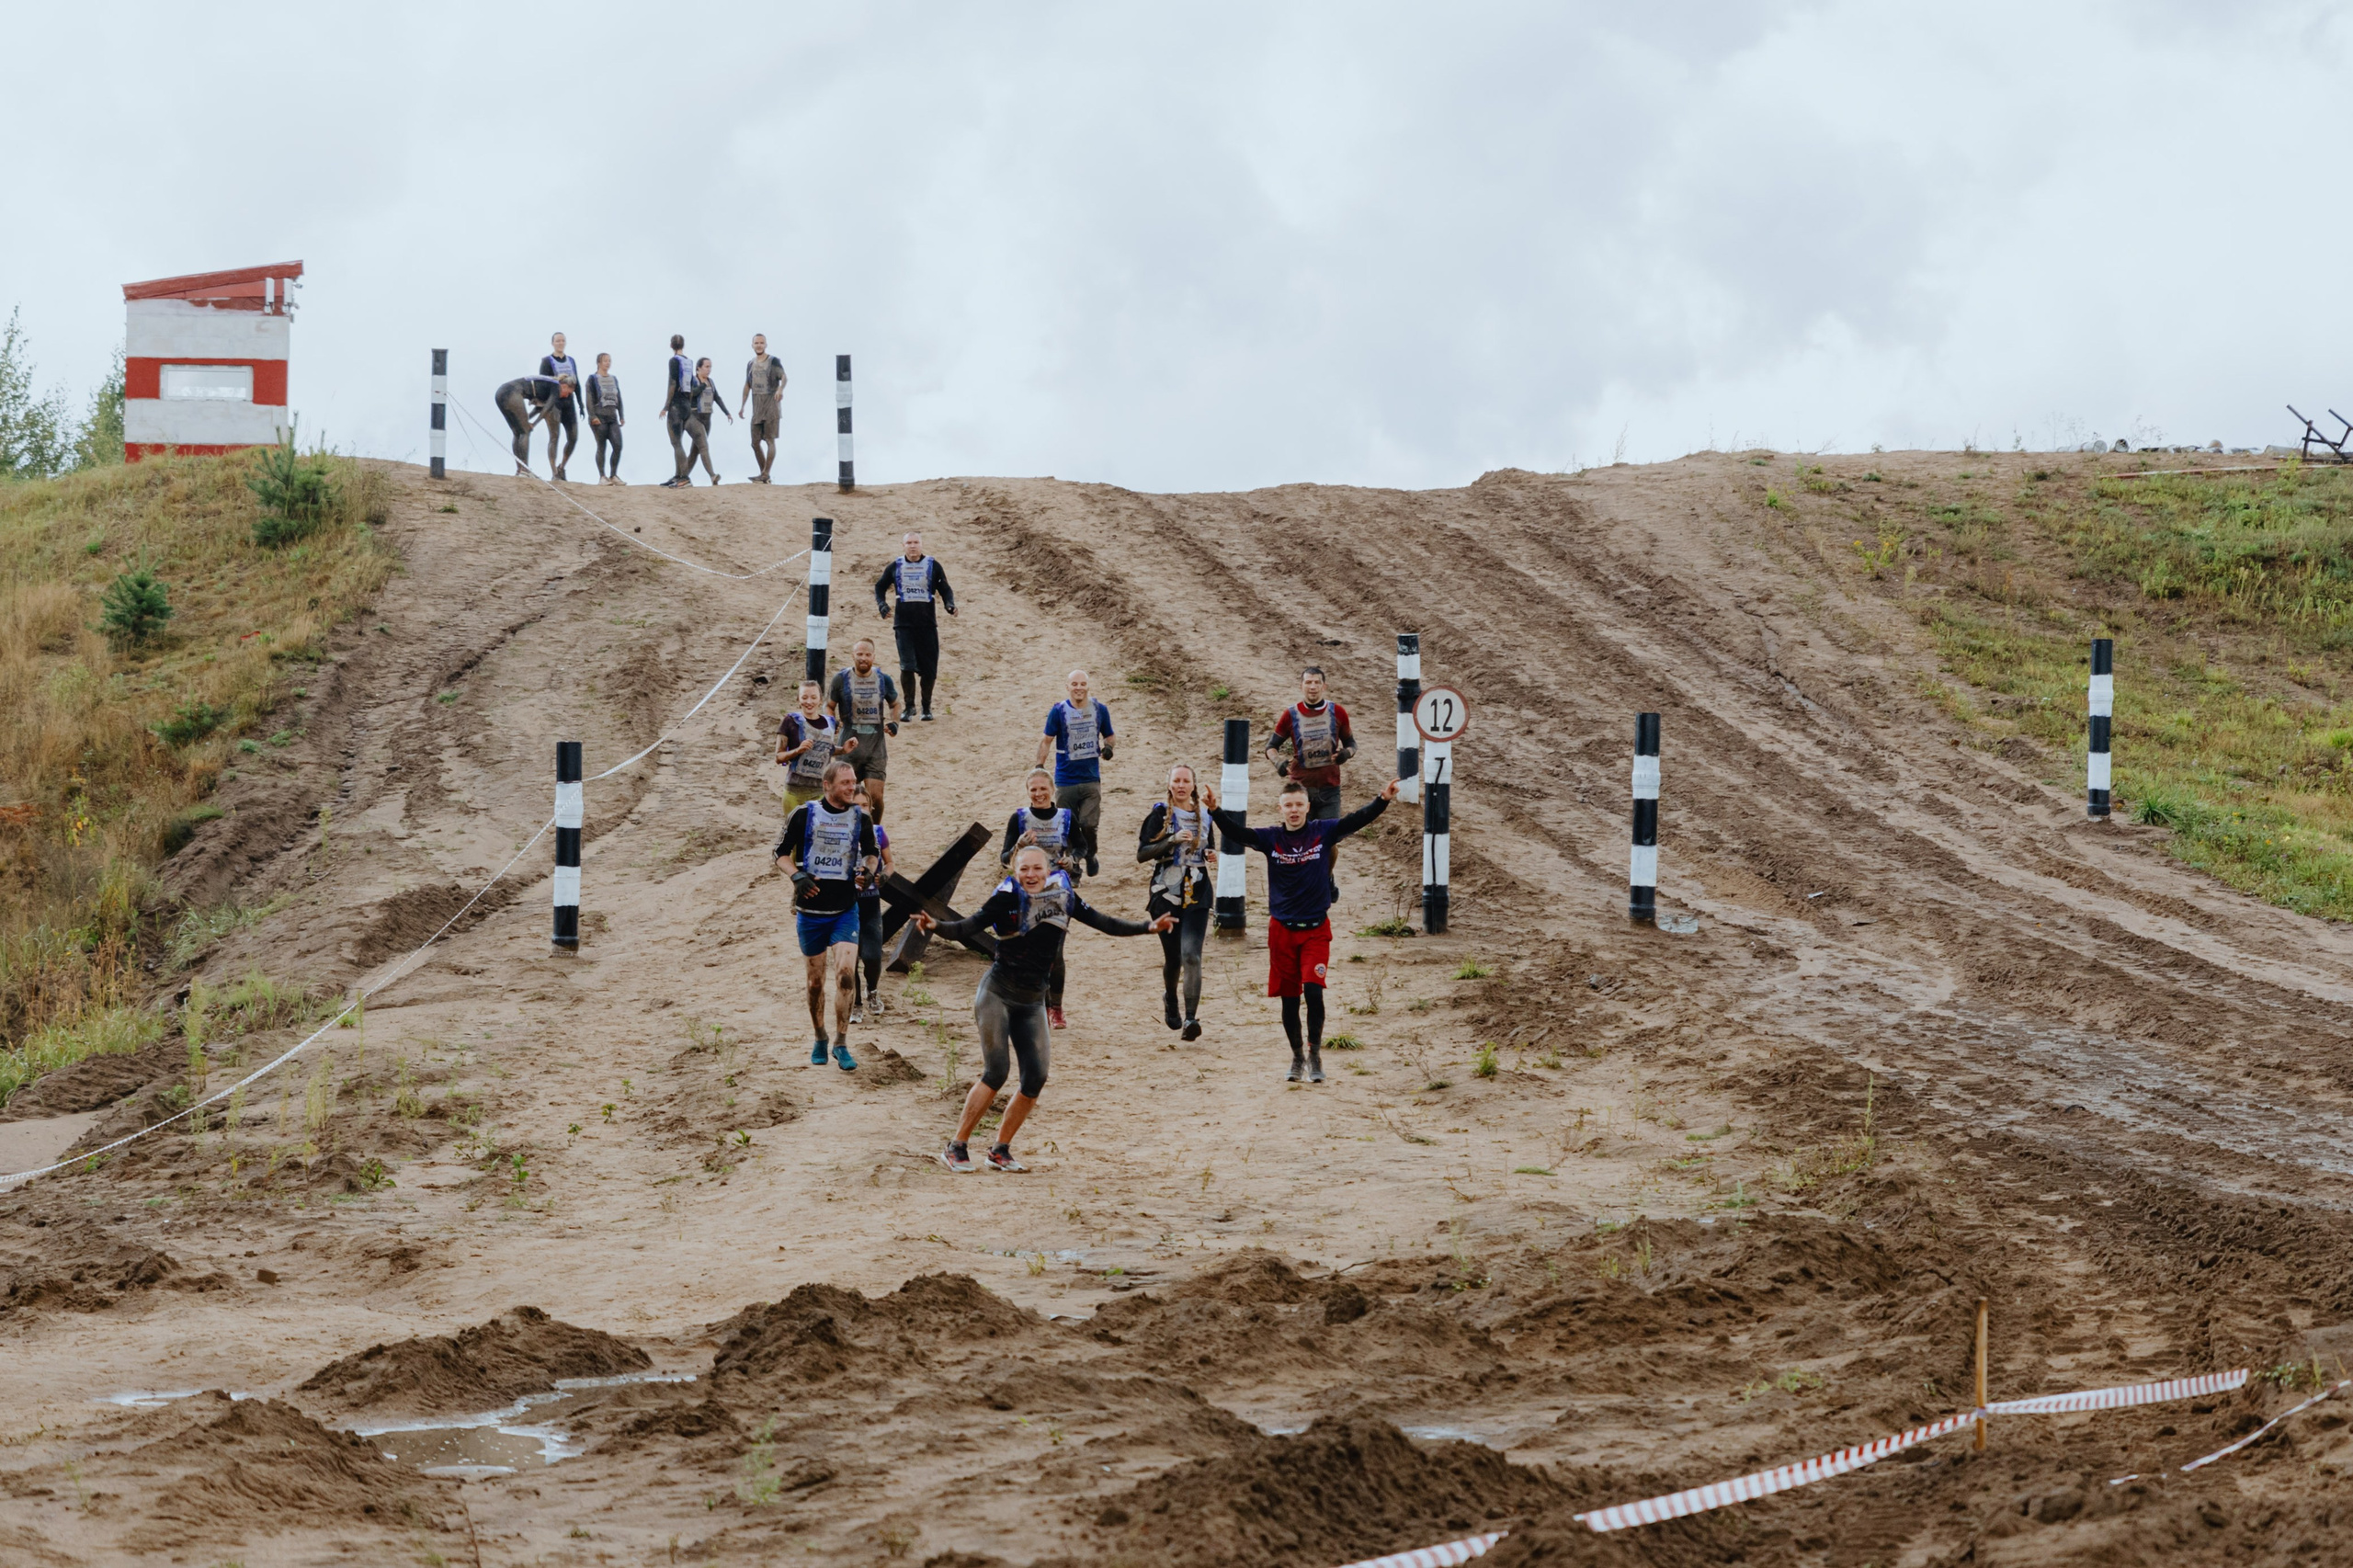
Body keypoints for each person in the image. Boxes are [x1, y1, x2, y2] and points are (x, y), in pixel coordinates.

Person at [915, 845, 1172, 1173]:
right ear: (1014, 871)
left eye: (1037, 869)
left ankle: (999, 1150)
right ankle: (956, 1146)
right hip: (997, 993)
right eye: (1025, 870)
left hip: (1033, 999)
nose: (1031, 875)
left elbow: (1103, 922)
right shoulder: (1005, 898)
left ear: (1049, 870)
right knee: (997, 1072)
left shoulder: (1064, 896)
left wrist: (1147, 927)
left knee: (1035, 1077)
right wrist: (936, 926)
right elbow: (968, 926)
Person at [1208, 774, 1402, 1084]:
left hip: (1315, 929)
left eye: (1299, 804)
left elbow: (1355, 820)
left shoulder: (1322, 831)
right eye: (1288, 805)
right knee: (1289, 999)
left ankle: (1315, 1053)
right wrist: (1215, 811)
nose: (1294, 810)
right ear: (1280, 808)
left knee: (1313, 991)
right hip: (1282, 930)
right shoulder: (1271, 838)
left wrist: (1383, 799)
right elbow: (1238, 833)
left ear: (1308, 807)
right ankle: (1297, 1056)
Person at [774, 759, 879, 1072]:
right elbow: (779, 853)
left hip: (846, 910)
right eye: (845, 783)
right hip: (811, 912)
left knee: (846, 975)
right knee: (815, 983)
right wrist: (796, 876)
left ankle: (841, 1042)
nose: (852, 787)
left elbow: (872, 853)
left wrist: (869, 873)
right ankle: (820, 1035)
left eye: (854, 782)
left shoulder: (861, 817)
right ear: (827, 785)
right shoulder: (805, 814)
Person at [1138, 762, 1216, 1040]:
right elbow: (1142, 853)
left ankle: (1191, 1020)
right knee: (1174, 959)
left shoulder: (1205, 814)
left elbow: (1209, 847)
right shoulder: (1159, 814)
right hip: (1165, 894)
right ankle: (1171, 996)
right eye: (1177, 781)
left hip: (1197, 891)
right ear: (1169, 784)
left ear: (1194, 785)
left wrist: (1210, 856)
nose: (1181, 785)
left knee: (1192, 955)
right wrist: (1171, 840)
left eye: (1186, 781)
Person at [1000, 767, 1081, 1029]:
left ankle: (1056, 1007)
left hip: (1058, 890)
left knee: (1055, 952)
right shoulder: (1020, 818)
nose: (1038, 794)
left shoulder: (1066, 817)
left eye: (1043, 788)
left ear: (1052, 790)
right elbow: (1004, 859)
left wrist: (1072, 859)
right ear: (1027, 792)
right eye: (1033, 789)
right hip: (1027, 891)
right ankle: (1037, 1006)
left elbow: (1082, 845)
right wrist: (1019, 847)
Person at [1266, 666, 1357, 897]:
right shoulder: (1291, 714)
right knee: (1299, 839)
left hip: (1330, 788)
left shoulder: (1338, 713)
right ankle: (1303, 882)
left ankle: (1326, 877)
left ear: (1324, 686)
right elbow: (1270, 747)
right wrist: (1278, 763)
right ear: (1302, 686)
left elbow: (1352, 744)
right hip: (1301, 789)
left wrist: (1346, 754)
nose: (1313, 687)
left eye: (1317, 682)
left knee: (1331, 840)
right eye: (1308, 683)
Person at [1035, 669, 1114, 879]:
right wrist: (1039, 766)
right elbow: (1046, 740)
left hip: (1090, 779)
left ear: (1088, 686)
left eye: (1082, 684)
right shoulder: (1058, 711)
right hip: (1065, 780)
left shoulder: (1100, 710)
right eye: (1074, 684)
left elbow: (1110, 736)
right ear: (1067, 687)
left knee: (1089, 825)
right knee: (1068, 828)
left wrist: (1109, 747)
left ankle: (1090, 854)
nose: (1079, 688)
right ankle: (1074, 870)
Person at [873, 531, 956, 721]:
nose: (912, 546)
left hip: (927, 625)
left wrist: (949, 605)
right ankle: (909, 707)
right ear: (903, 546)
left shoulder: (933, 566)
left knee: (929, 669)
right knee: (907, 666)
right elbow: (880, 586)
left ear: (921, 545)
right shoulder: (896, 566)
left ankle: (926, 707)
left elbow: (945, 589)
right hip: (903, 625)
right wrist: (882, 605)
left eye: (916, 542)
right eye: (909, 543)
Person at [827, 638, 901, 822]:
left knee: (875, 797)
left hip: (875, 748)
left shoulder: (883, 680)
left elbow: (895, 704)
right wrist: (832, 721)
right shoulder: (840, 679)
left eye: (868, 654)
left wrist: (895, 723)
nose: (863, 658)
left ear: (874, 657)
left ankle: (873, 835)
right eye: (859, 654)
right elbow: (829, 705)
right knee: (844, 797)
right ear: (853, 655)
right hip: (847, 749)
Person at [774, 678, 852, 812]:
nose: (809, 702)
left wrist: (843, 750)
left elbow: (826, 750)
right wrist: (797, 750)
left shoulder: (831, 723)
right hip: (794, 790)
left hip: (821, 791)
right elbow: (778, 757)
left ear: (820, 700)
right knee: (793, 832)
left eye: (813, 697)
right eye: (804, 697)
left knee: (817, 831)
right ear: (798, 700)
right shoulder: (790, 721)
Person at [852, 780, 893, 1024]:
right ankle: (855, 1001)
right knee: (849, 958)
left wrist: (885, 876)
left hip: (870, 902)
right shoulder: (840, 831)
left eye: (865, 805)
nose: (861, 810)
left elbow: (890, 862)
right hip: (846, 904)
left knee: (872, 955)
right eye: (855, 805)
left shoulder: (877, 832)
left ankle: (873, 989)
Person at [493, 371, 574, 476]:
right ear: (564, 386)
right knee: (525, 432)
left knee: (517, 432)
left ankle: (520, 469)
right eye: (568, 392)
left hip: (501, 392)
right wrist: (533, 424)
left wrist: (528, 420)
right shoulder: (555, 386)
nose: (566, 396)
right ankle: (525, 470)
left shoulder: (547, 385)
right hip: (513, 392)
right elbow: (546, 409)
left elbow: (538, 409)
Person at [676, 358, 733, 486]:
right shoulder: (693, 380)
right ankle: (712, 475)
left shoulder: (711, 382)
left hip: (707, 419)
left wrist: (727, 412)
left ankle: (682, 477)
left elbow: (717, 398)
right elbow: (691, 394)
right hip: (693, 417)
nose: (709, 369)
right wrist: (701, 386)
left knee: (695, 451)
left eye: (710, 367)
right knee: (704, 446)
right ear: (698, 368)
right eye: (706, 367)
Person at [739, 335, 787, 484]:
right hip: (757, 407)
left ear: (766, 345)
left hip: (771, 405)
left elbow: (784, 377)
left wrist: (780, 389)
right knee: (755, 442)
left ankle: (765, 473)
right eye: (756, 343)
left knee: (770, 439)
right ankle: (763, 474)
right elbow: (747, 385)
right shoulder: (750, 364)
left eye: (761, 343)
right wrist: (742, 405)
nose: (759, 345)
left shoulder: (773, 361)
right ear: (752, 345)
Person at [539, 332, 585, 482]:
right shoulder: (547, 361)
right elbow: (542, 382)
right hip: (554, 403)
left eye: (562, 340)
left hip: (569, 403)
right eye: (557, 341)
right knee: (554, 437)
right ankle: (554, 473)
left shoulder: (571, 361)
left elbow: (577, 383)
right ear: (553, 343)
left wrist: (580, 403)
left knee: (573, 437)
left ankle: (562, 466)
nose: (560, 343)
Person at [659, 335, 696, 488]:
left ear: (671, 345)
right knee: (678, 442)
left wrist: (666, 406)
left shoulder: (674, 361)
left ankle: (685, 477)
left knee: (676, 442)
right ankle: (678, 474)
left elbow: (672, 383)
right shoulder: (688, 362)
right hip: (687, 403)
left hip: (676, 405)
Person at [585, 353, 625, 484]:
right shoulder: (592, 379)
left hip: (612, 417)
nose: (608, 363)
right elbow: (589, 399)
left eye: (609, 361)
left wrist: (622, 415)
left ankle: (613, 475)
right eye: (605, 361)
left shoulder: (614, 379)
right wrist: (592, 416)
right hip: (599, 416)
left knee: (618, 445)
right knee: (601, 446)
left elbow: (619, 398)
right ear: (599, 363)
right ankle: (602, 476)